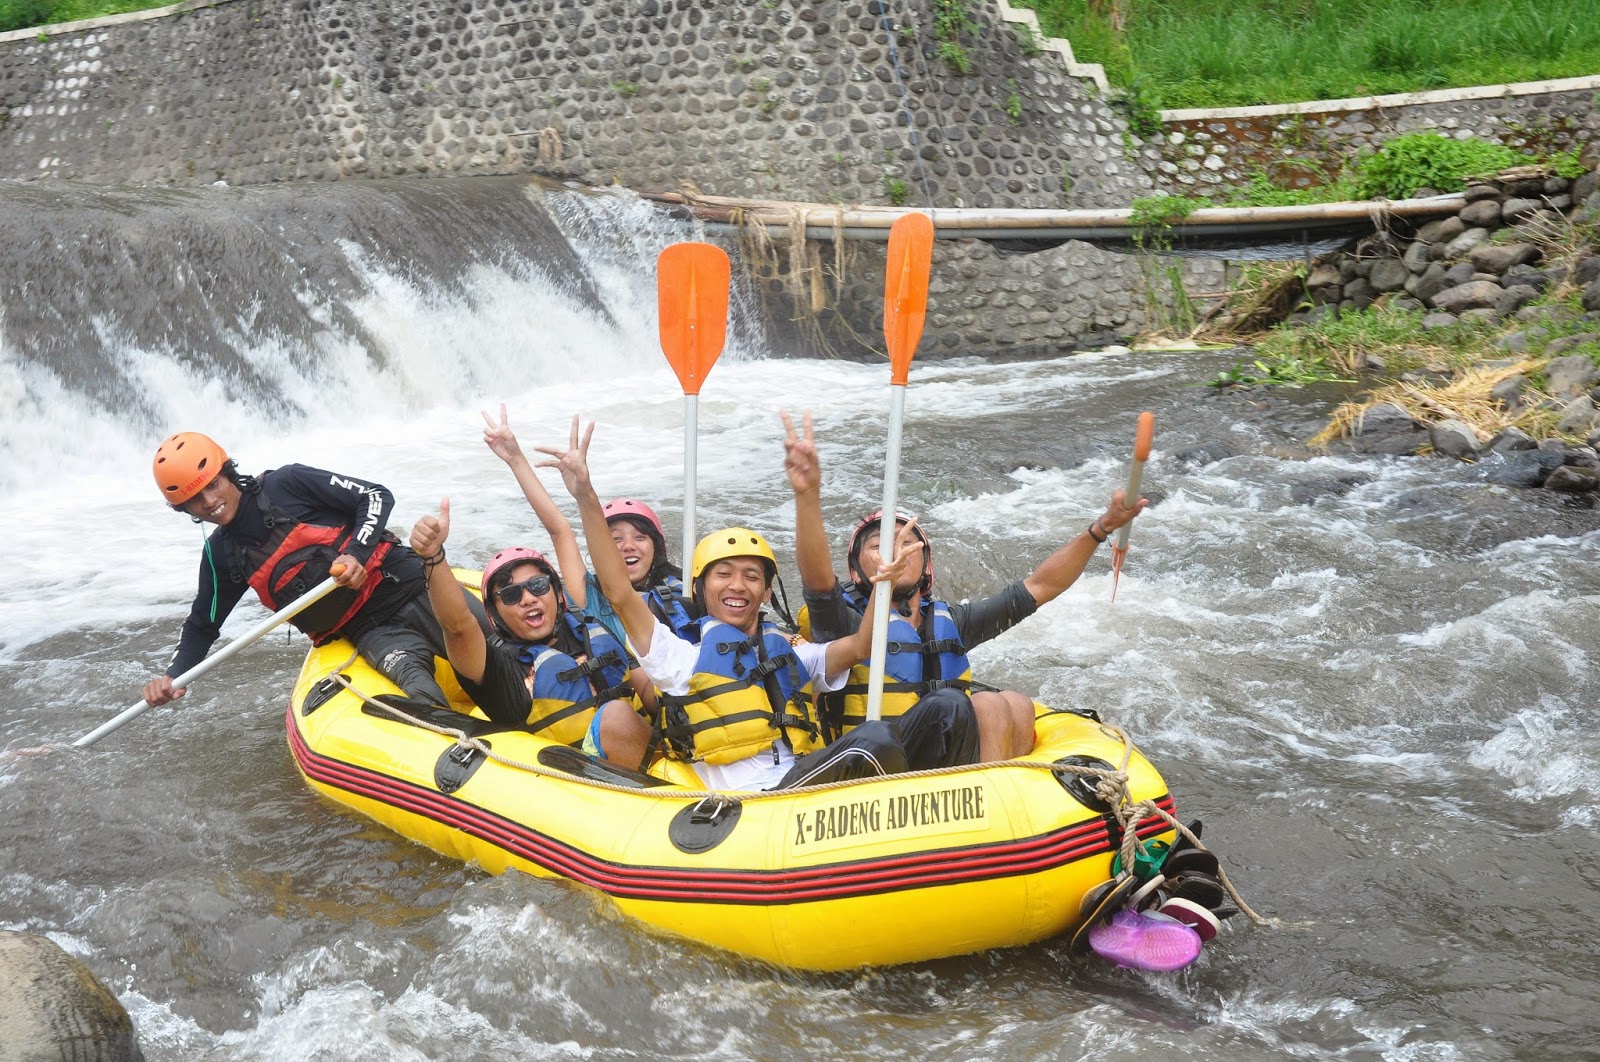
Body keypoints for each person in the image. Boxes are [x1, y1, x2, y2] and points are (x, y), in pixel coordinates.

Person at [537, 417, 979, 792]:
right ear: (700, 588)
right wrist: (585, 495)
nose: (738, 585)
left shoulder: (793, 657)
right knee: (873, 740)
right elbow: (618, 592)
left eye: (752, 576)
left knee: (951, 707)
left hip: (807, 782)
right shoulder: (679, 659)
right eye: (724, 575)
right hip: (760, 806)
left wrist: (882, 583)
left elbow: (863, 645)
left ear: (767, 592)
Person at [782, 410, 1148, 761]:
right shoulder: (843, 622)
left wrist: (1102, 528)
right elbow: (817, 581)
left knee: (1017, 705)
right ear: (856, 573)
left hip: (942, 759)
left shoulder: (951, 623)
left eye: (908, 542)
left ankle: (1000, 797)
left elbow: (1041, 586)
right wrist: (807, 494)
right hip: (872, 763)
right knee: (981, 703)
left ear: (927, 566)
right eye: (880, 546)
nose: (896, 550)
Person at [142, 432, 474, 710]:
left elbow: (375, 496)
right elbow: (202, 624)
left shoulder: (286, 484)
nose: (209, 501)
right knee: (420, 697)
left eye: (213, 485)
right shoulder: (221, 555)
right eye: (194, 499)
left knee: (497, 652)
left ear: (227, 472)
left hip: (408, 585)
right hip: (370, 631)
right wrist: (174, 676)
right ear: (183, 508)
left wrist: (355, 554)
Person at [407, 499, 654, 767]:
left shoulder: (590, 630)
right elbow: (457, 627)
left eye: (538, 585)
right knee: (616, 714)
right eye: (511, 595)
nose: (528, 599)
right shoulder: (498, 669)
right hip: (573, 776)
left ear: (557, 594)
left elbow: (646, 688)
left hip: (650, 753)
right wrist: (433, 556)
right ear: (495, 614)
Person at [601, 496, 701, 640]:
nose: (628, 546)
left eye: (640, 537)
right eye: (616, 539)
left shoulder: (688, 590)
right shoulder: (588, 594)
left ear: (656, 546)